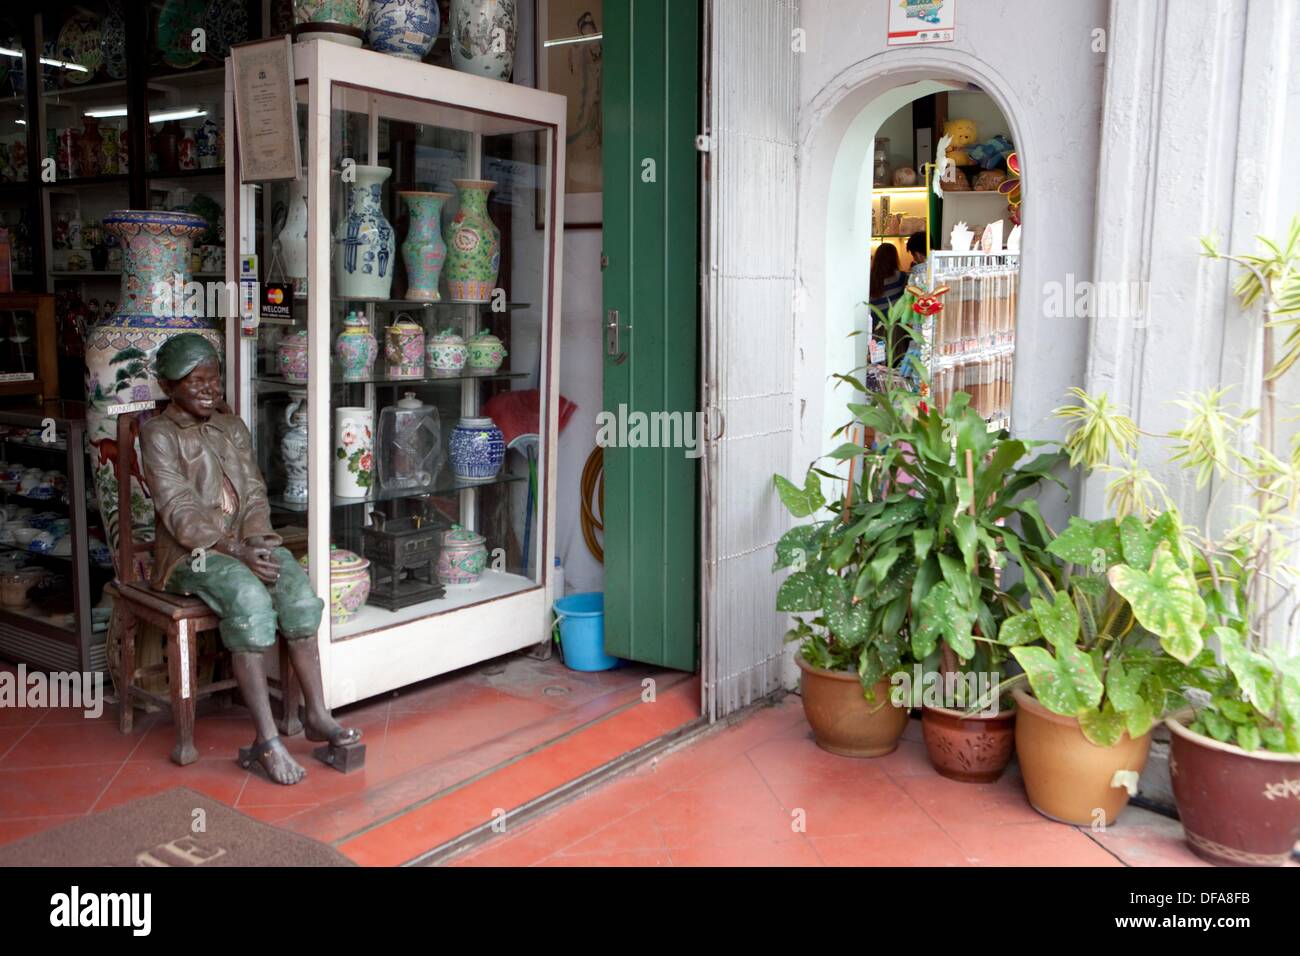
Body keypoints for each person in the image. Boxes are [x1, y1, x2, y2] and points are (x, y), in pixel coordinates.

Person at [140, 333, 360, 785]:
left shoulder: (232, 426)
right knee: (249, 599)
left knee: (297, 594)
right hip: (191, 555)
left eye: (214, 380)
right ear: (168, 384)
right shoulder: (158, 433)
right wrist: (236, 551)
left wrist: (258, 541)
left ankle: (317, 714)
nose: (208, 389)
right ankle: (266, 740)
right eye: (195, 381)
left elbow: (256, 491)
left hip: (243, 543)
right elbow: (178, 506)